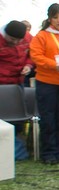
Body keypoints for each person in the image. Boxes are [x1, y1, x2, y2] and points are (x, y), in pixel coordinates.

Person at [29, 4, 59, 165]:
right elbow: (36, 56)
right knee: (48, 118)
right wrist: (54, 65)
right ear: (50, 19)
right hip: (47, 82)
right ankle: (48, 153)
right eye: (55, 17)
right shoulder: (42, 36)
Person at [1, 20, 34, 160]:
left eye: (18, 40)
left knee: (18, 121)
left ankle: (18, 149)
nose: (15, 43)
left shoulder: (28, 38)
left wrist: (28, 65)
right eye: (12, 39)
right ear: (5, 34)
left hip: (19, 83)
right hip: (2, 85)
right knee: (4, 119)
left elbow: (33, 55)